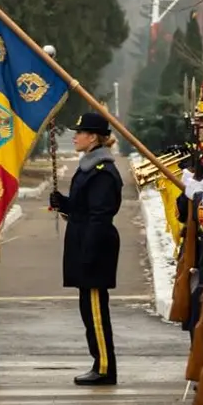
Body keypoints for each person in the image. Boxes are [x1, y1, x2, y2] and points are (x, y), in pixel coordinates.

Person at [49, 112, 123, 386]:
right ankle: (99, 361)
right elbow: (83, 208)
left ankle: (104, 366)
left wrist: (89, 255)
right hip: (84, 243)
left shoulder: (102, 172)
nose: (75, 136)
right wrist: (63, 203)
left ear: (93, 137)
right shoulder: (89, 167)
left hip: (94, 248)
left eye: (80, 132)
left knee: (94, 310)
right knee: (88, 309)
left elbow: (99, 216)